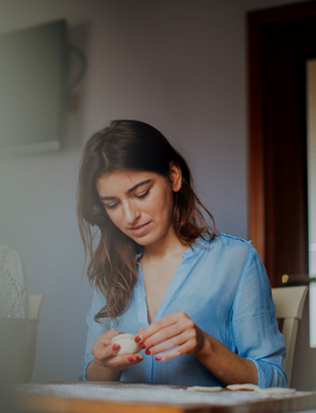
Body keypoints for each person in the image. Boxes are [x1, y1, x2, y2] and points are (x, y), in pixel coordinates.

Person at [77, 120, 287, 388]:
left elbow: (275, 382)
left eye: (141, 193)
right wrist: (102, 364)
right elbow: (86, 378)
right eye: (113, 204)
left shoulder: (236, 261)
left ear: (174, 177)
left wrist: (205, 346)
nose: (130, 217)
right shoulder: (111, 272)